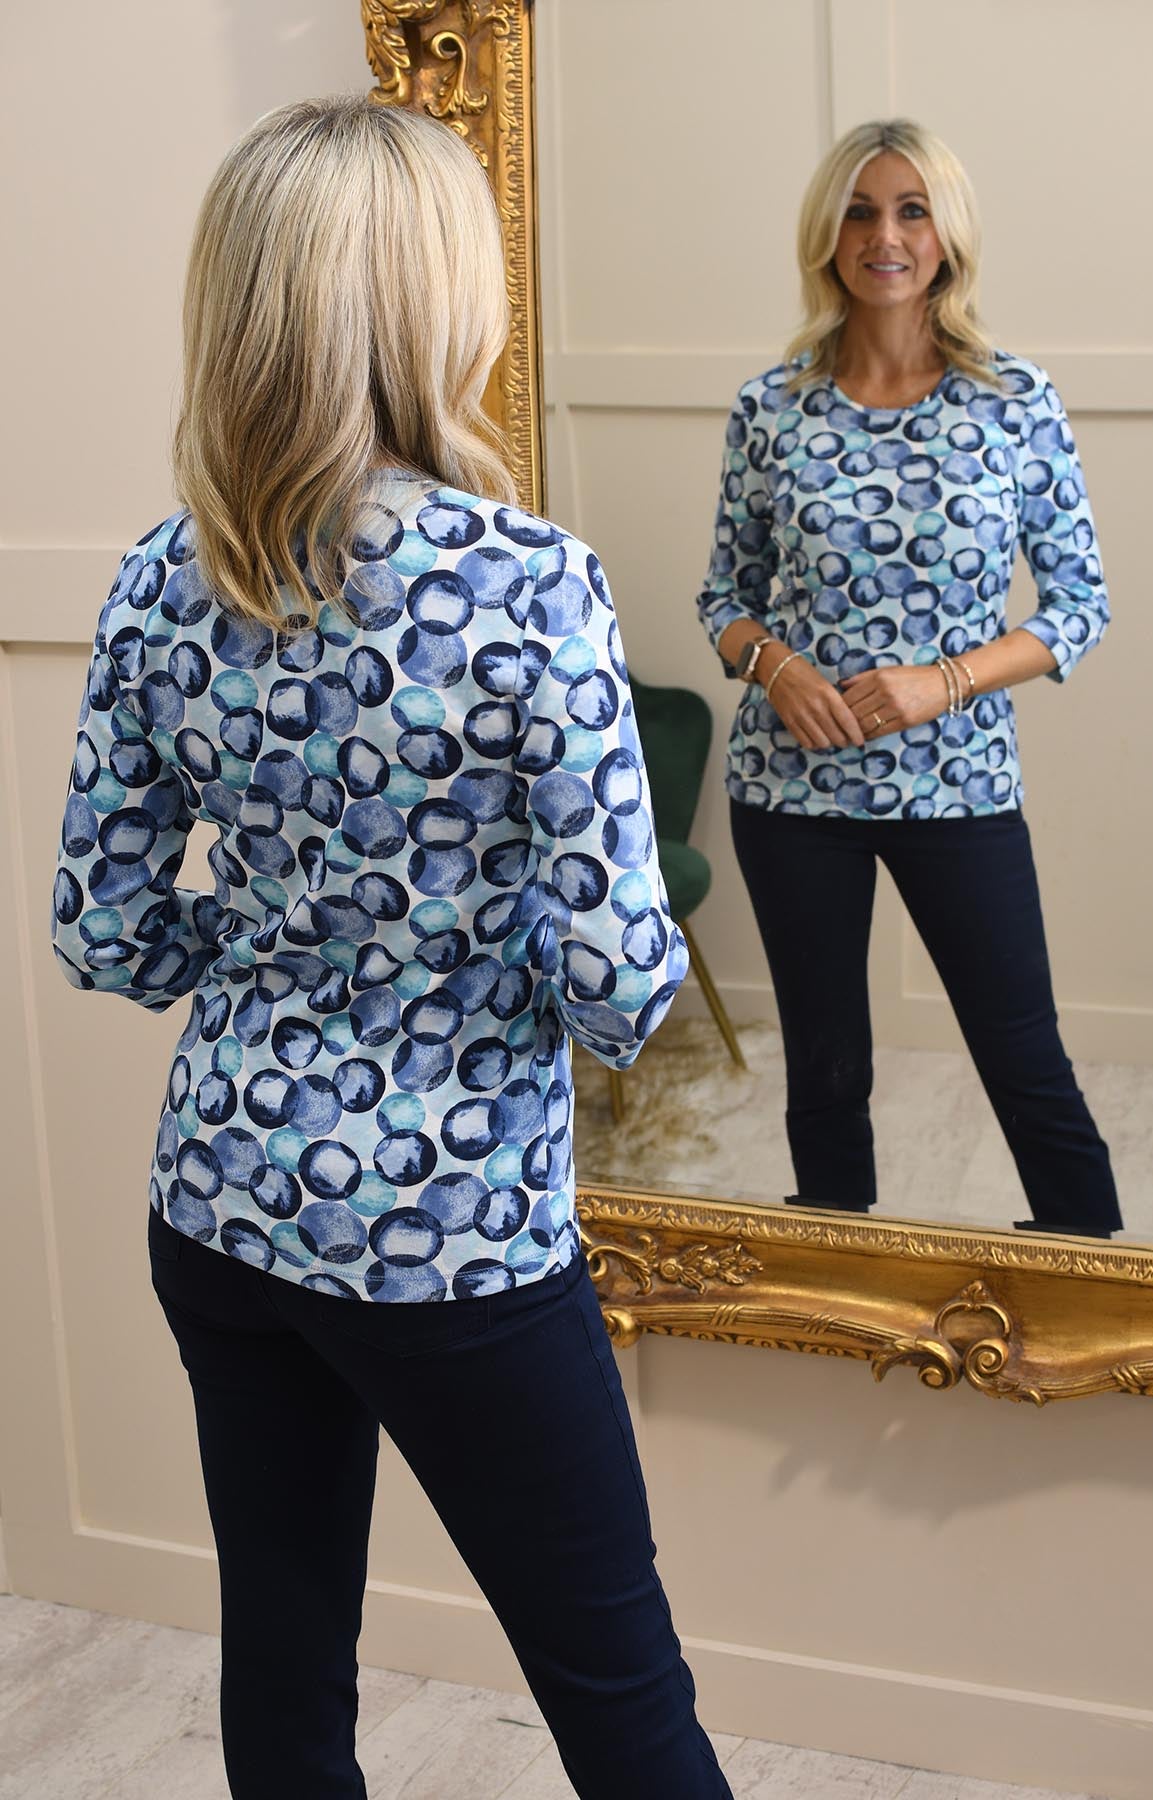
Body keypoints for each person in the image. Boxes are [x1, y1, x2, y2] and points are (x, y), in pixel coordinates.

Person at [51, 95, 731, 1800]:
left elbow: (106, 932)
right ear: (437, 300)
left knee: (286, 1676)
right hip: (456, 1230)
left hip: (224, 1197)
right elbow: (623, 989)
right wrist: (459, 945)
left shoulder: (160, 578)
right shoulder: (531, 584)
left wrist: (280, 936)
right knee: (621, 1698)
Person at [695, 118, 1121, 1241]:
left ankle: (1096, 1279)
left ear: (947, 236)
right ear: (827, 235)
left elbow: (1080, 605)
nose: (884, 236)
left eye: (911, 210)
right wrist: (776, 667)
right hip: (791, 792)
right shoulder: (771, 405)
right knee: (826, 1066)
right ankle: (839, 1283)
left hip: (960, 783)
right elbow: (723, 599)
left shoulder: (1014, 399)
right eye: (860, 211)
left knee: (1023, 1056)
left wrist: (947, 681)